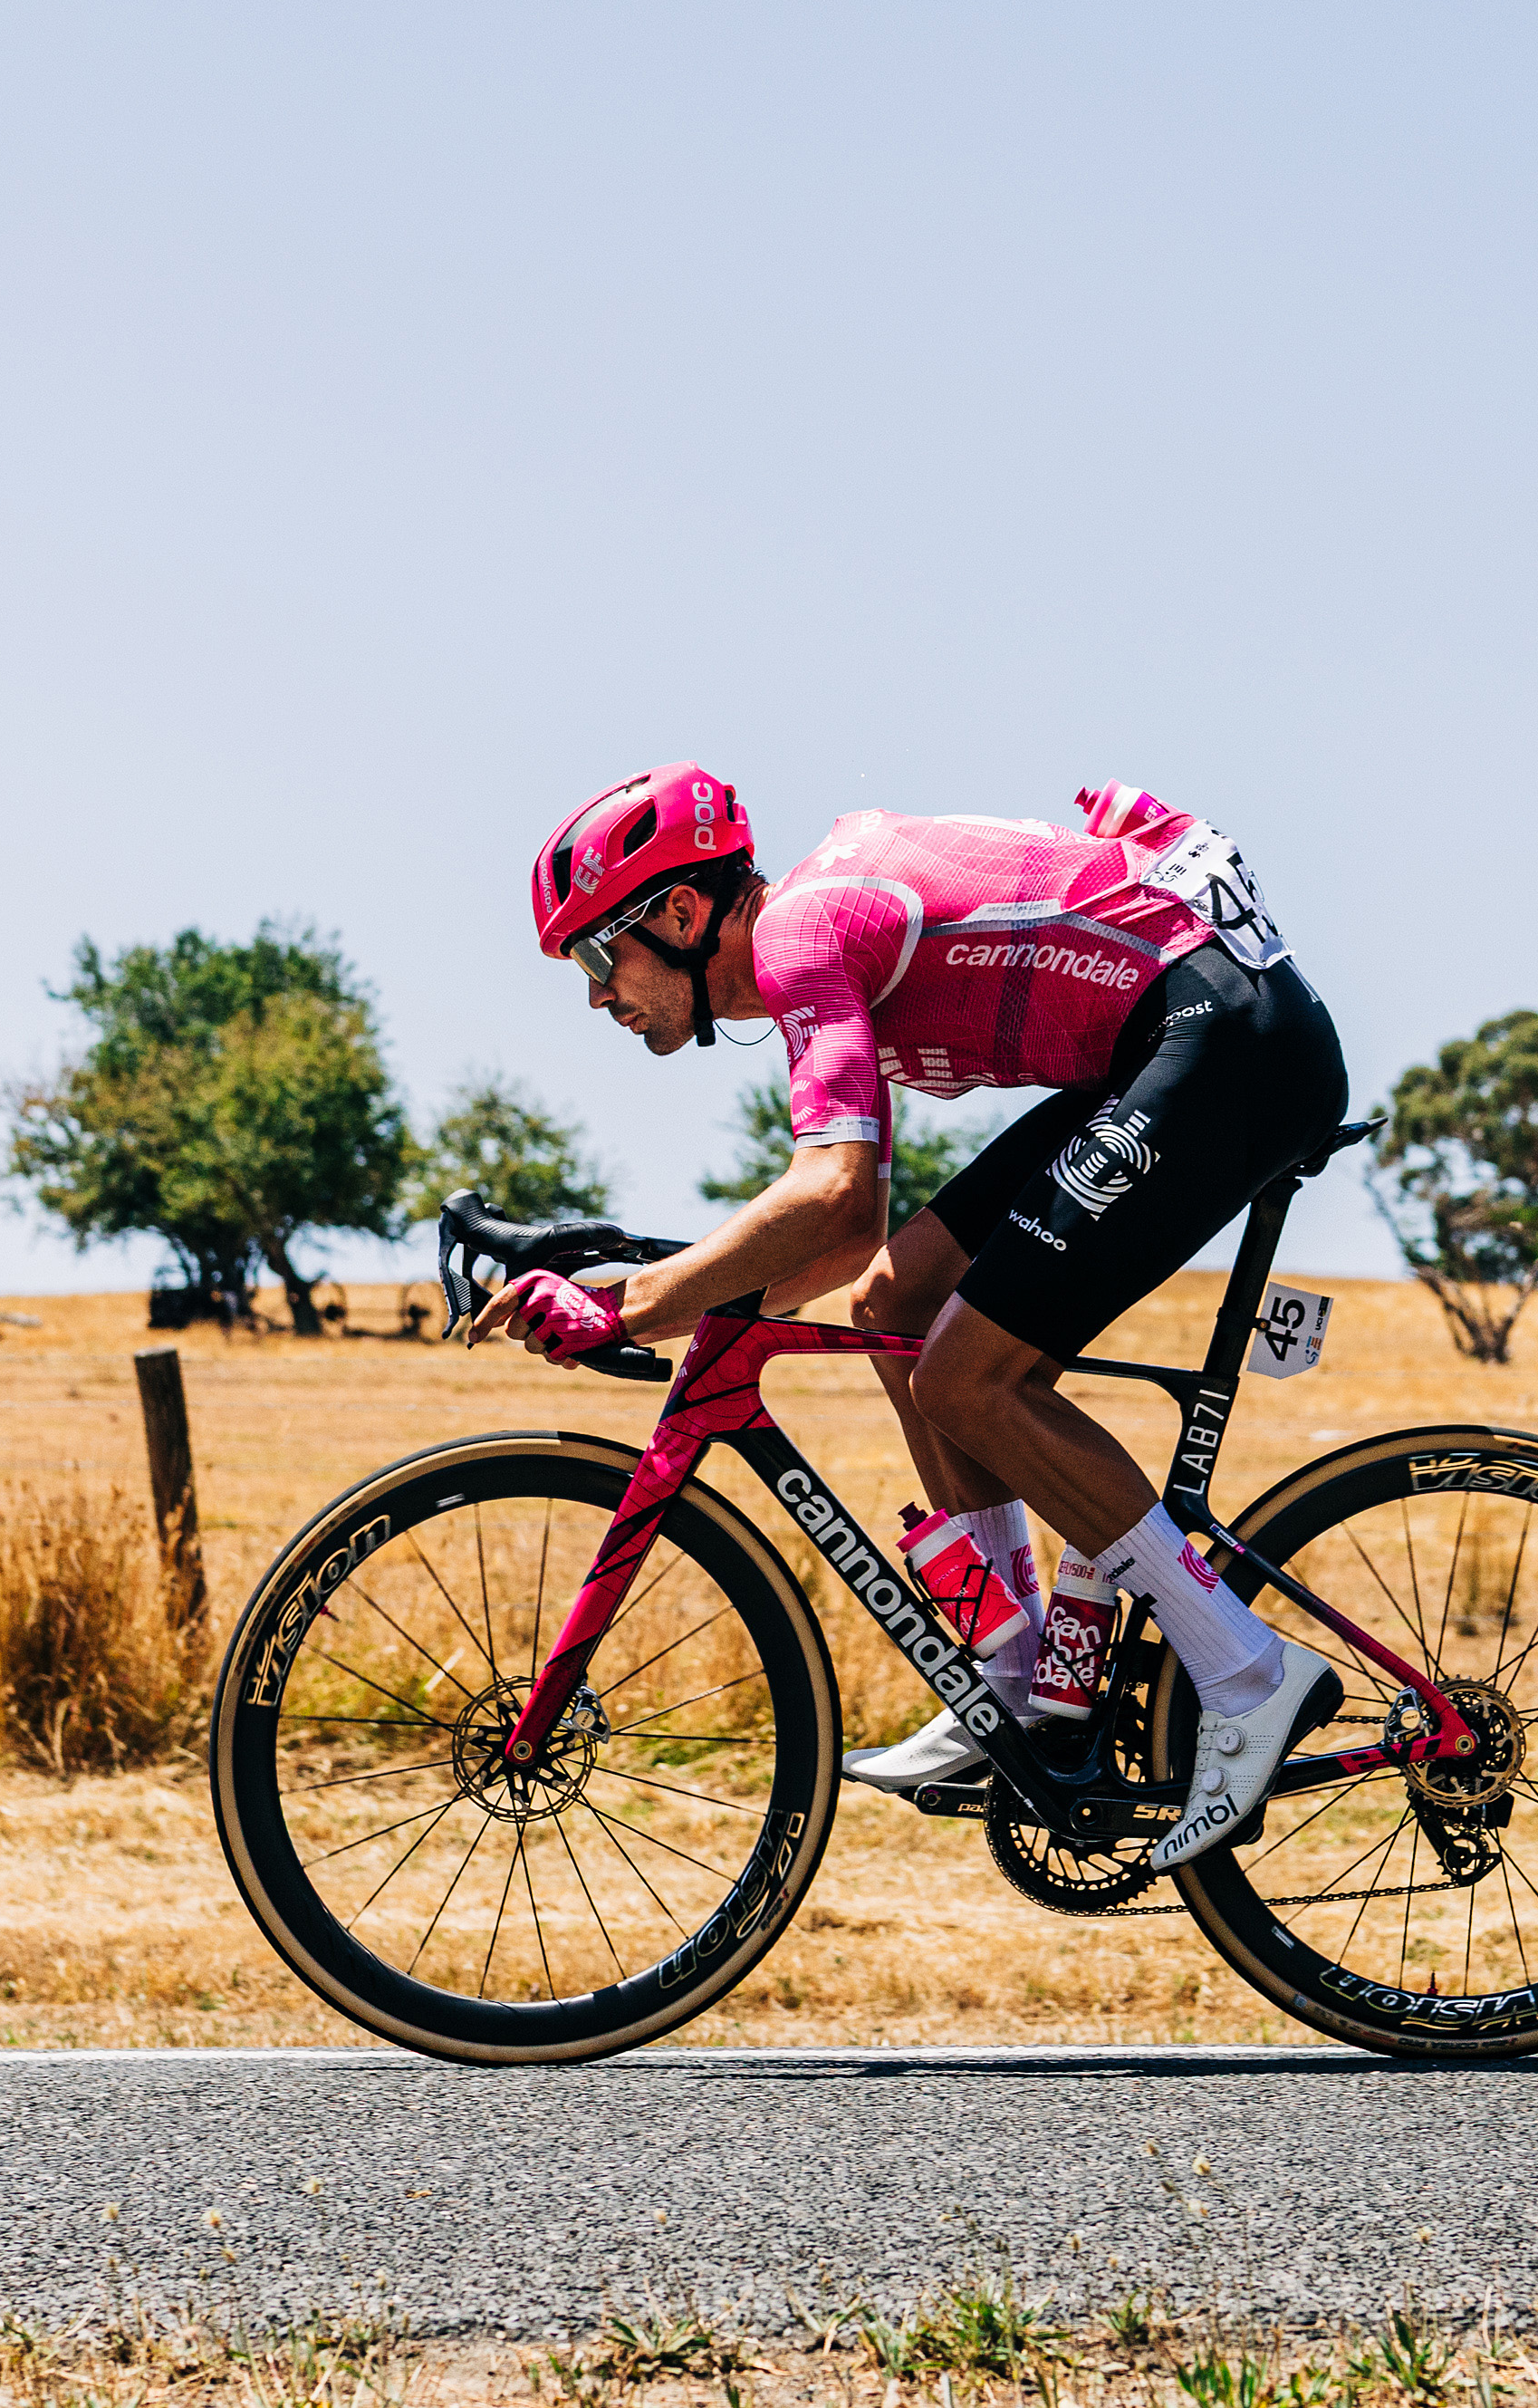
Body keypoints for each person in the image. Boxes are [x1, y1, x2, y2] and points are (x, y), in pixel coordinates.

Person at [472, 763, 1351, 1871]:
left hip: (1226, 1039)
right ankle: (1018, 1678)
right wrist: (649, 1290)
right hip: (1171, 1038)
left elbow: (828, 1193)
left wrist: (634, 1304)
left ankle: (1247, 1676)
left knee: (968, 1377)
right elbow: (847, 1244)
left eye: (603, 956)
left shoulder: (796, 935)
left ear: (684, 914)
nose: (600, 995)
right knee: (896, 1299)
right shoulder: (811, 953)